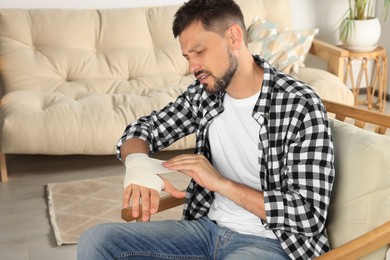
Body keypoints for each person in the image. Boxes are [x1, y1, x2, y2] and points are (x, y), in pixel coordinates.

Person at [77, 0, 335, 259]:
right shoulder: (205, 96)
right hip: (207, 231)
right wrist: (137, 166)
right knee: (97, 241)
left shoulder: (299, 105)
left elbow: (308, 215)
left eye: (199, 51)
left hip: (271, 242)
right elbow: (144, 129)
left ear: (234, 36)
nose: (192, 67)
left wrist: (221, 184)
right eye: (188, 57)